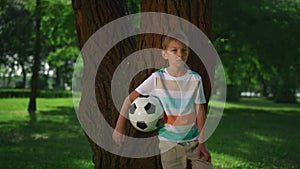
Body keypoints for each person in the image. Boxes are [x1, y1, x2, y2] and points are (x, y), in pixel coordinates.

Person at [112, 33, 213, 169]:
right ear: (165, 54)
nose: (180, 54)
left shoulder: (195, 79)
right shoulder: (157, 78)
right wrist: (119, 128)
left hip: (193, 141)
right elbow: (130, 98)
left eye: (184, 50)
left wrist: (202, 142)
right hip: (169, 143)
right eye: (174, 50)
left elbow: (200, 111)